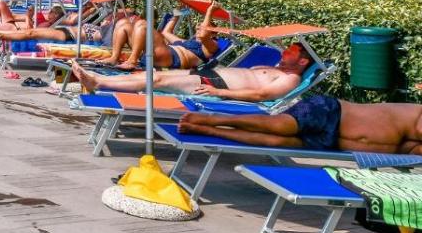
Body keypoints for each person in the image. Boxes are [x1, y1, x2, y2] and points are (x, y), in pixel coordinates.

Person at [69, 42, 311, 102]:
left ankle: (99, 84)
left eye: (292, 50)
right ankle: (98, 78)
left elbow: (261, 95)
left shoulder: (290, 78)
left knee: (157, 79)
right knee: (145, 75)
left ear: (302, 61)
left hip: (215, 86)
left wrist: (219, 93)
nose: (286, 50)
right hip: (210, 75)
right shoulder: (276, 67)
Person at [180, 97, 422, 155]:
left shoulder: (411, 143)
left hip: (332, 142)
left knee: (276, 142)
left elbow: (413, 150)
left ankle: (206, 130)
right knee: (279, 127)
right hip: (331, 112)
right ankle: (214, 119)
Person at [110, 4, 223, 70]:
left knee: (142, 25)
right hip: (157, 53)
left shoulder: (211, 46)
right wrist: (179, 12)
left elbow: (203, 35)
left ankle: (132, 61)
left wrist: (209, 11)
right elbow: (166, 32)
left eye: (203, 26)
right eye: (198, 27)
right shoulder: (186, 42)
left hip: (171, 59)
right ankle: (114, 58)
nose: (199, 28)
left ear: (213, 33)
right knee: (124, 25)